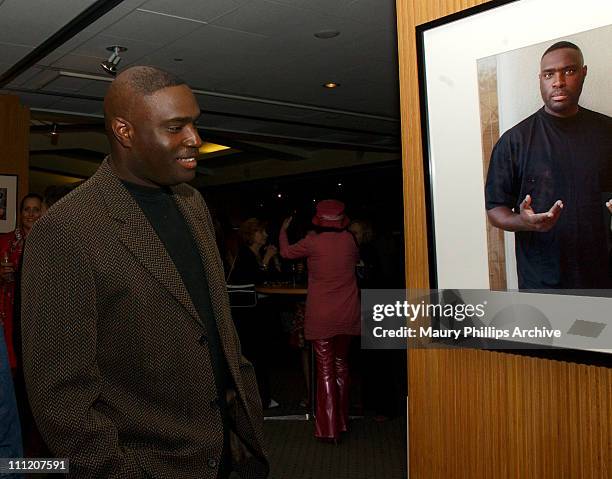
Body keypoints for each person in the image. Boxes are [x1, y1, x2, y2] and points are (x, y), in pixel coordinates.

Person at [21, 66, 268, 478]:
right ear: (124, 132)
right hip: (146, 465)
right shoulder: (66, 229)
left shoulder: (192, 204)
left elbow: (212, 327)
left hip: (224, 452)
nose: (195, 139)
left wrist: (236, 427)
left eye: (194, 123)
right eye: (175, 127)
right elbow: (60, 395)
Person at [485, 41, 612, 290]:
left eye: (569, 71)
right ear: (540, 79)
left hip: (604, 278)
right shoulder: (514, 141)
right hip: (542, 283)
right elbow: (495, 209)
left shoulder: (608, 132)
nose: (558, 82)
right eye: (549, 74)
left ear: (583, 73)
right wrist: (524, 222)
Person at [279, 200, 360, 442]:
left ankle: (328, 428)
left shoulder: (312, 242)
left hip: (322, 314)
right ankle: (343, 422)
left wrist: (283, 231)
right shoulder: (349, 240)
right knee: (341, 367)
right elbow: (354, 261)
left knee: (324, 370)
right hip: (348, 312)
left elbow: (285, 253)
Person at [228, 218, 280, 410]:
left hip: (256, 313)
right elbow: (255, 280)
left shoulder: (256, 254)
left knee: (259, 355)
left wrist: (270, 260)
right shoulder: (246, 255)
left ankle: (261, 397)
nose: (265, 235)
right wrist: (267, 261)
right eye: (261, 231)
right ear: (251, 235)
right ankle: (257, 400)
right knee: (254, 356)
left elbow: (269, 279)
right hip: (248, 316)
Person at [0, 193, 43, 372]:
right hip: (9, 309)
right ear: (20, 213)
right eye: (27, 209)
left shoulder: (48, 242)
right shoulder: (5, 241)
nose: (31, 214)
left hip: (38, 310)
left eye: (36, 210)